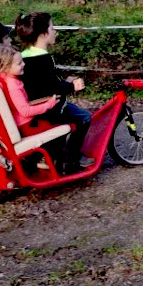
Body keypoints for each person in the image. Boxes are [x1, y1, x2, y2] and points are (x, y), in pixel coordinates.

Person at [14, 12, 94, 174]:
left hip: (39, 105)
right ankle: (70, 161)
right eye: (52, 28)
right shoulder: (42, 59)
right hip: (48, 110)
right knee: (84, 119)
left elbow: (44, 83)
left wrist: (65, 82)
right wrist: (73, 87)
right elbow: (50, 90)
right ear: (43, 34)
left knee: (80, 114)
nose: (55, 31)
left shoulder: (25, 56)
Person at [0, 44, 59, 168]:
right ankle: (43, 160)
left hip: (19, 121)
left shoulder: (2, 77)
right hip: (25, 125)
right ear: (6, 67)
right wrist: (48, 104)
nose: (24, 64)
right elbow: (25, 111)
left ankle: (39, 158)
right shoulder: (13, 86)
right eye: (19, 63)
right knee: (64, 125)